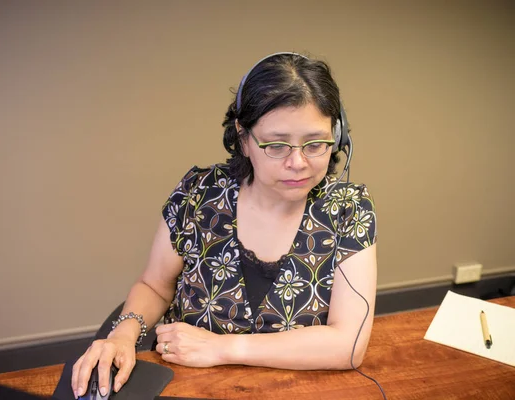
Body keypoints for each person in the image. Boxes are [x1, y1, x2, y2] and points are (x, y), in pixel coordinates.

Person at [71, 52, 377, 399]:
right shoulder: (200, 193)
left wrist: (222, 348)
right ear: (243, 138)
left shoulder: (348, 209)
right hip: (188, 386)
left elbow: (348, 345)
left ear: (338, 137)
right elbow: (155, 286)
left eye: (315, 143)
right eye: (276, 145)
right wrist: (123, 335)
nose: (298, 163)